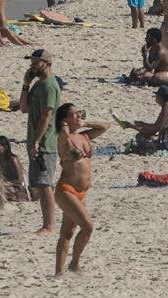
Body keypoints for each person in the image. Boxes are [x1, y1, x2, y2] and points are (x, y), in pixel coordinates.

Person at [53, 103, 109, 275]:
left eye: (80, 113)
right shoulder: (64, 138)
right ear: (65, 120)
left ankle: (60, 272)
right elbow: (63, 134)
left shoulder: (84, 137)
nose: (79, 116)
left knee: (68, 232)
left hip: (82, 193)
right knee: (88, 227)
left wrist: (84, 123)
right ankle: (73, 264)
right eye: (74, 114)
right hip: (66, 190)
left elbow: (105, 126)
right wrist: (64, 126)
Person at [19, 49, 61, 236]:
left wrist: (36, 141)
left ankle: (49, 226)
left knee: (45, 185)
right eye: (32, 62)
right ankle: (47, 224)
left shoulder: (50, 85)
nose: (32, 65)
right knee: (41, 185)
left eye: (36, 62)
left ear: (47, 63)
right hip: (36, 142)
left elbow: (47, 115)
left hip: (46, 144)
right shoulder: (38, 85)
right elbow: (23, 108)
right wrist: (26, 84)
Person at [126, 86, 168, 151]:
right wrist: (138, 125)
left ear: (161, 97)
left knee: (142, 138)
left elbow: (156, 128)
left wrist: (134, 126)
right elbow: (155, 128)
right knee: (143, 136)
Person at [0, 136, 29, 202]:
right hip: (9, 184)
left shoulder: (12, 159)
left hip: (21, 186)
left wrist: (4, 183)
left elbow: (20, 180)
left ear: (5, 147)